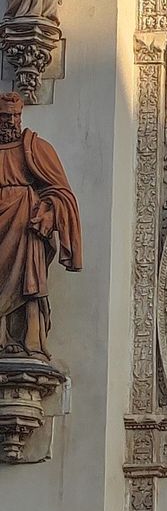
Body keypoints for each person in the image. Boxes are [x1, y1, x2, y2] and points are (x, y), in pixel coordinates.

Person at [0, 92, 82, 357]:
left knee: (29, 282)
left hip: (25, 227)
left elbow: (61, 192)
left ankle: (28, 341)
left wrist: (48, 211)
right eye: (5, 117)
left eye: (15, 116)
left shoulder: (35, 147)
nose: (11, 122)